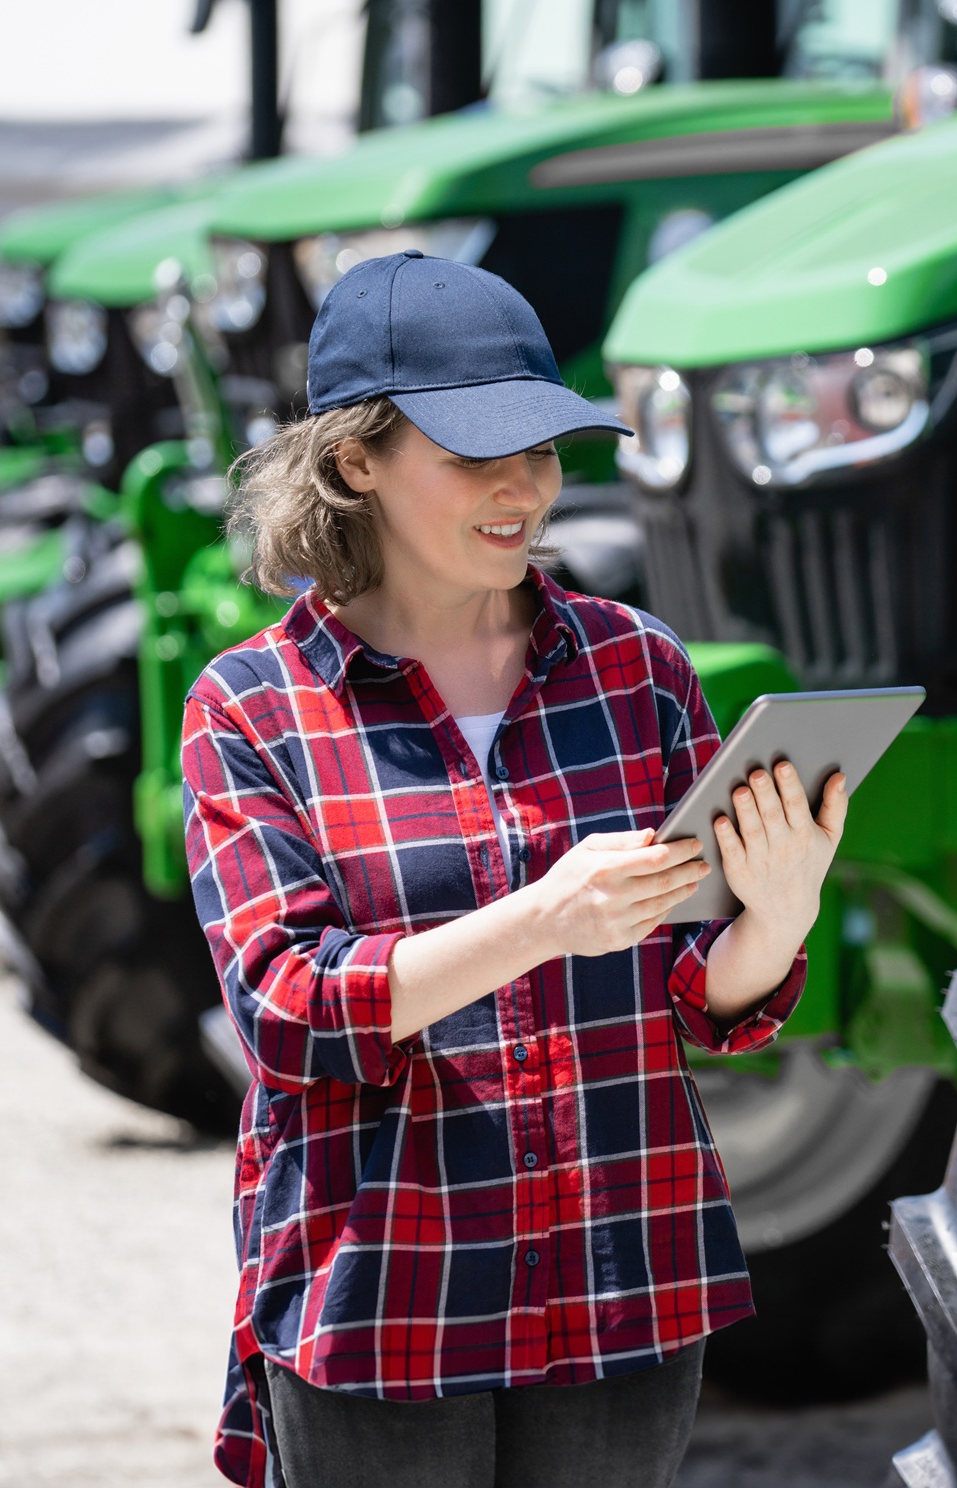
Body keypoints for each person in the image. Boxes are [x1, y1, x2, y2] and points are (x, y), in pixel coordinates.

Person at [181, 249, 847, 1488]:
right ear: (352, 461)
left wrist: (781, 905)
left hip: (623, 1269)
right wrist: (543, 919)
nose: (521, 490)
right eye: (474, 454)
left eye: (540, 450)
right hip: (386, 1293)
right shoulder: (253, 708)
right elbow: (285, 1013)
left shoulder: (635, 668)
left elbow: (702, 995)